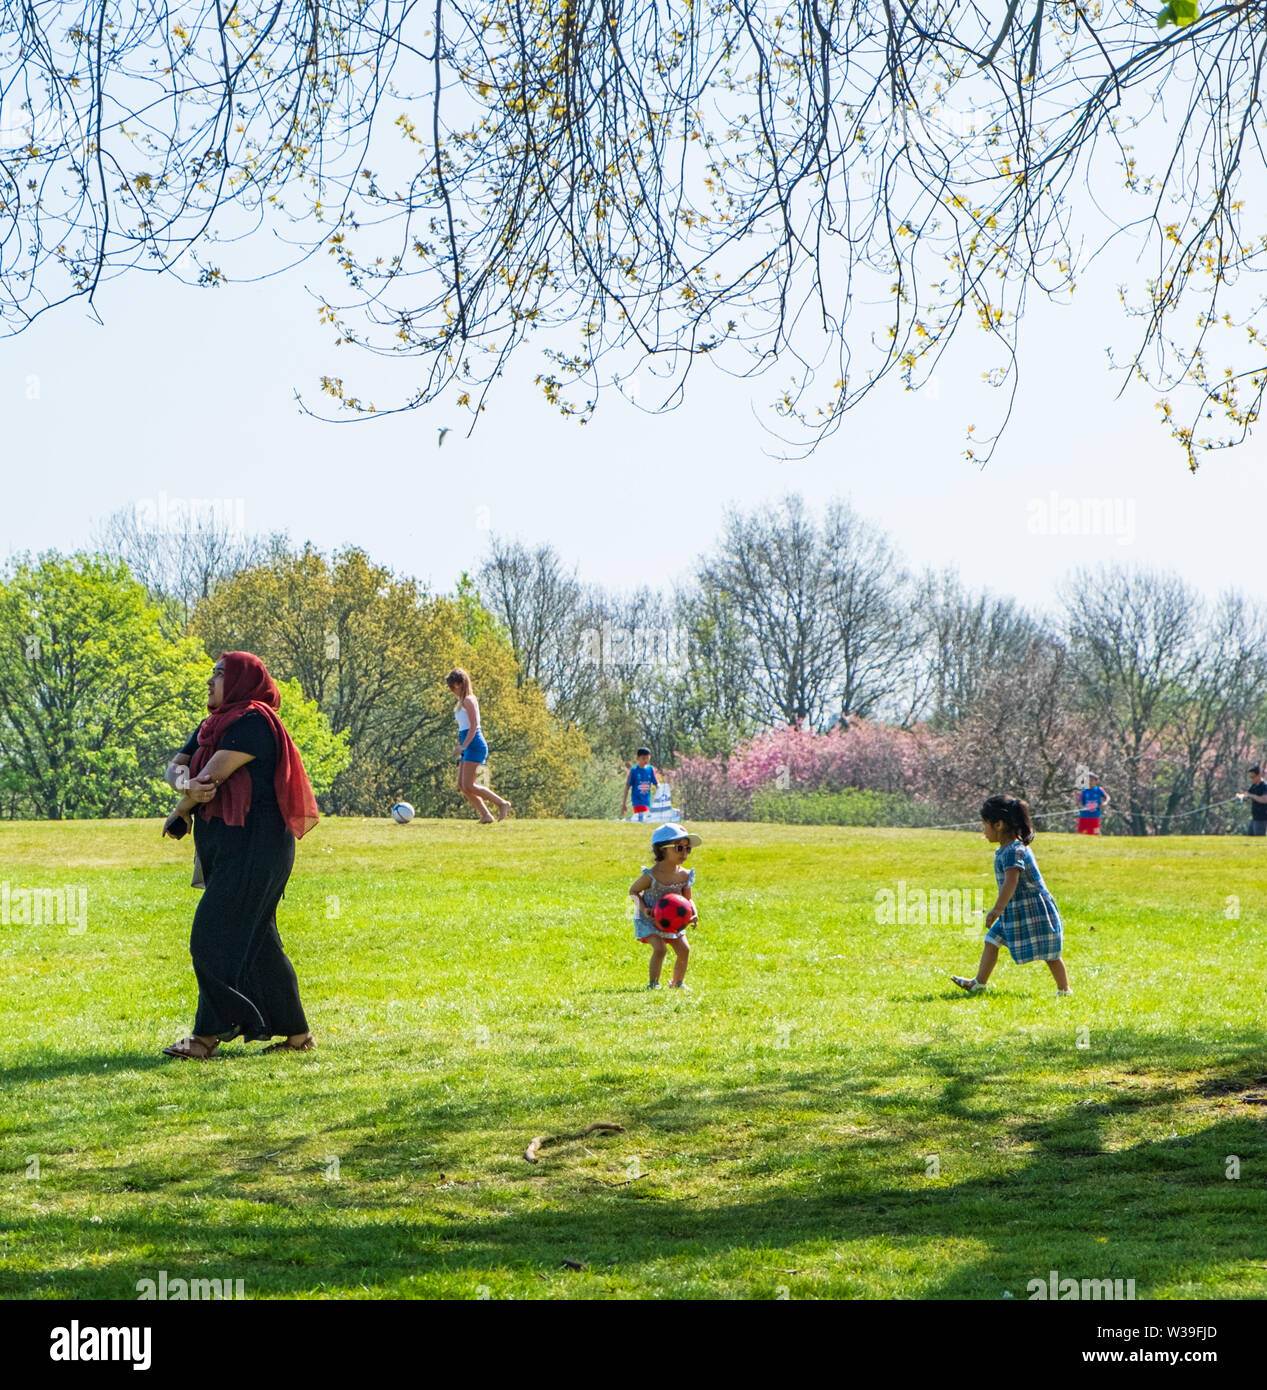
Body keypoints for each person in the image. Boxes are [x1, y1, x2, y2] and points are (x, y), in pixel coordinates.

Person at [160, 652, 320, 1060]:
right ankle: (299, 1038)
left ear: (240, 680)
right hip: (226, 848)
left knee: (211, 937)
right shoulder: (212, 724)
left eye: (218, 673)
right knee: (261, 943)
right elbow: (176, 769)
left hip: (257, 848)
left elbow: (211, 777)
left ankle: (208, 1034)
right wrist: (185, 787)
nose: (209, 681)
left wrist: (180, 808)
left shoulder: (252, 722)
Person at [952, 795, 1071, 998]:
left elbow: (1011, 882)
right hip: (1015, 909)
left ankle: (1064, 990)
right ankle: (979, 983)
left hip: (1032, 908)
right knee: (992, 940)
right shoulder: (1007, 849)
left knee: (1049, 952)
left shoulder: (1013, 851)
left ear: (998, 824)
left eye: (985, 825)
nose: (983, 830)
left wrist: (997, 909)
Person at [628, 822, 699, 990]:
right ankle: (653, 984)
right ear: (662, 849)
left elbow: (688, 900)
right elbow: (633, 891)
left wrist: (694, 913)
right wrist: (644, 909)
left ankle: (678, 983)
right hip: (650, 920)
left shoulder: (685, 875)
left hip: (674, 921)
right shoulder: (651, 875)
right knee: (660, 949)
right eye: (678, 848)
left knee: (684, 949)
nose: (684, 853)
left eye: (687, 849)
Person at [446, 667, 512, 823]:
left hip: (474, 744)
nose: (451, 689)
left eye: (452, 686)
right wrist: (463, 746)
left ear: (460, 684)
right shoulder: (462, 701)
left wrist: (464, 746)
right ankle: (486, 815)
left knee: (470, 784)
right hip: (467, 744)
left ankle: (502, 803)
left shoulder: (469, 700)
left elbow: (474, 725)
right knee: (463, 785)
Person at [622, 747, 659, 817]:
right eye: (643, 758)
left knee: (643, 820)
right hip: (637, 801)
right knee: (643, 817)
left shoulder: (650, 769)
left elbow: (656, 783)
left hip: (647, 801)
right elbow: (627, 787)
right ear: (638, 758)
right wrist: (624, 804)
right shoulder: (634, 771)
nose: (646, 760)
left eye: (647, 758)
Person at [1236, 765, 1267, 836]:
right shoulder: (1253, 786)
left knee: (1259, 839)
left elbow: (1264, 799)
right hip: (1254, 817)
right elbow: (1248, 796)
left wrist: (1251, 795)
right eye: (1250, 777)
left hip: (1262, 819)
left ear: (1258, 776)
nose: (1251, 779)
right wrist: (1241, 797)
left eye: (1252, 777)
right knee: (1250, 837)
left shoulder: (1264, 786)